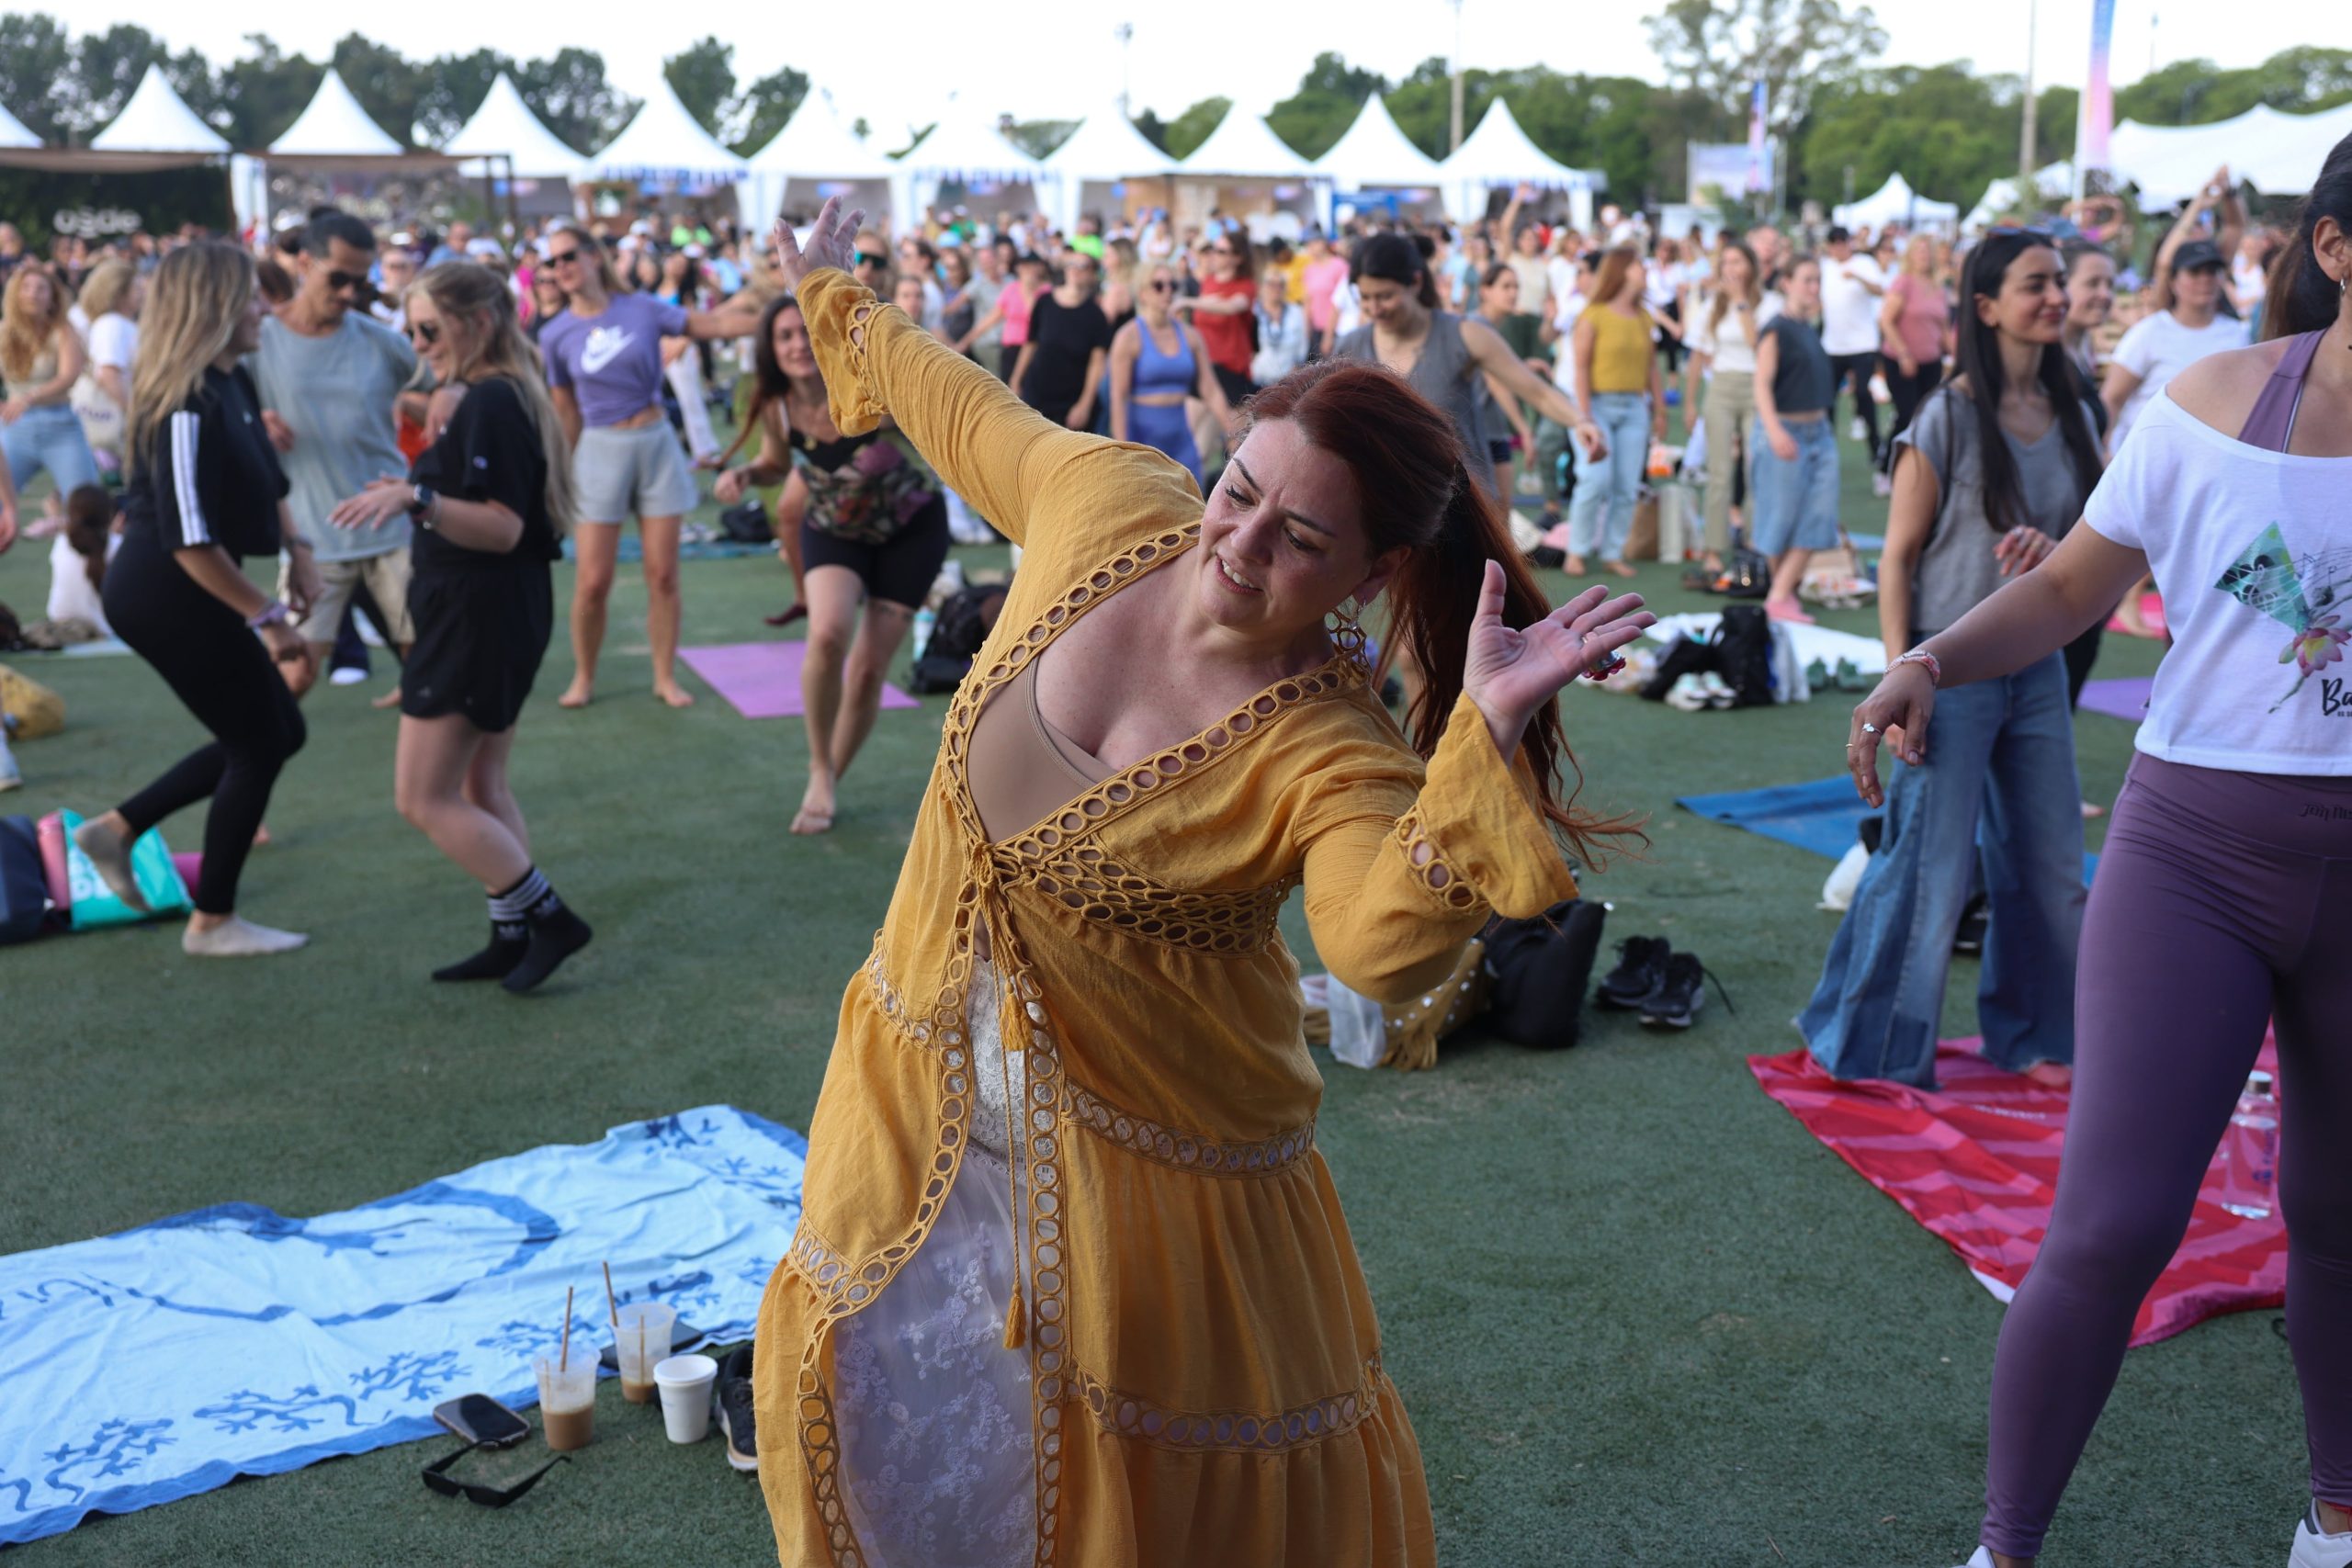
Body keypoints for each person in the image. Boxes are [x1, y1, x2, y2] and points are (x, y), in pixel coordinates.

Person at [749, 196, 1653, 1568]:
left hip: (1151, 1193)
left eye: (1301, 538)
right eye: (1242, 489)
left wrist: (1483, 741)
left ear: (1372, 573)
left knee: (1138, 1508)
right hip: (919, 1107)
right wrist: (838, 300)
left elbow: (1368, 942)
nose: (1240, 544)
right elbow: (962, 399)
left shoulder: (1324, 743)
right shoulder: (1107, 504)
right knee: (900, 1432)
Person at [1845, 141, 2352, 1568]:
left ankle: (2339, 1513)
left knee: (2340, 1208)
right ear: (2334, 248)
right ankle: (2003, 1548)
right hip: (2199, 856)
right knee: (2114, 1221)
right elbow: (2071, 583)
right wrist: (1928, 659)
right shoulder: (2196, 411)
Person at [1803, 230, 2102, 1096]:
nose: (2055, 297)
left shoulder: (2076, 411)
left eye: (2060, 282)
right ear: (1985, 305)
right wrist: (1902, 677)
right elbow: (1896, 558)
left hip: (2036, 668)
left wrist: (2057, 548)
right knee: (1928, 873)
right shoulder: (1946, 416)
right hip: (1943, 673)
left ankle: (2038, 1036)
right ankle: (1876, 1051)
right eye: (2035, 284)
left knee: (2050, 867)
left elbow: (2095, 547)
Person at [326, 262, 592, 992]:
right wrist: (414, 489)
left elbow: (502, 528)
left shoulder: (494, 402)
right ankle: (512, 933)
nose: (419, 344)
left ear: (477, 323)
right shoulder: (494, 394)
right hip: (490, 609)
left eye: (429, 330)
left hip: (478, 613)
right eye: (411, 330)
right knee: (482, 783)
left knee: (422, 795)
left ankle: (550, 918)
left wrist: (416, 498)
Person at [72, 243, 319, 957]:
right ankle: (212, 920)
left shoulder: (229, 380)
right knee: (260, 742)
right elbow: (188, 541)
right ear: (211, 306)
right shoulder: (182, 402)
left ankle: (116, 829)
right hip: (166, 593)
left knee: (279, 733)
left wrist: (297, 552)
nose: (265, 309)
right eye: (250, 296)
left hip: (200, 587)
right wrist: (267, 618)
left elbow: (270, 480)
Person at [716, 293, 951, 835]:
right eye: (784, 337)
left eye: (804, 332)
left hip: (909, 532)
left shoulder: (864, 384)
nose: (798, 345)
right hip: (835, 530)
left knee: (869, 670)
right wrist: (748, 476)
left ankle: (828, 780)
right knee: (826, 634)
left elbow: (930, 403)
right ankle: (818, 764)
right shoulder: (776, 406)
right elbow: (777, 464)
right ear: (770, 350)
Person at [539, 226, 757, 708]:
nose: (561, 268)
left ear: (594, 257)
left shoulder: (639, 308)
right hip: (599, 449)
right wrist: (557, 475)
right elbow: (565, 412)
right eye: (552, 263)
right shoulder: (554, 334)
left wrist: (789, 316)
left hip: (656, 442)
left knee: (664, 575)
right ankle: (584, 676)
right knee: (592, 581)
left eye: (569, 256)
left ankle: (664, 676)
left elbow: (712, 327)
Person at [248, 209, 422, 706]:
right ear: (304, 263)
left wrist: (441, 399)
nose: (349, 293)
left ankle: (446, 783)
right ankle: (246, 775)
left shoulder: (380, 341)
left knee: (433, 666)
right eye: (338, 278)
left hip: (392, 531)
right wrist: (254, 420)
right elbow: (216, 415)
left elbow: (442, 390)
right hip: (311, 537)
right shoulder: (258, 340)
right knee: (294, 674)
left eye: (359, 281)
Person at [1333, 233, 1601, 529]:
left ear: (1416, 283)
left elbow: (1536, 392)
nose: (1375, 308)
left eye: (1385, 296)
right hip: (1388, 510)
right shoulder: (1350, 348)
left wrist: (1580, 421)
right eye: (1365, 297)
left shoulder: (1464, 334)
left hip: (1460, 510)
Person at [1747, 255, 1843, 621]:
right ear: (1786, 282)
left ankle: (1780, 593)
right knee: (1779, 518)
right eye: (1806, 280)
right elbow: (1761, 382)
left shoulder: (1809, 326)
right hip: (1786, 431)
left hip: (1819, 432)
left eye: (1817, 280)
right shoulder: (1777, 328)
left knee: (1819, 515)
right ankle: (1781, 594)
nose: (1814, 287)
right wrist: (1773, 430)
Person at [1566, 246, 1666, 579]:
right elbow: (1580, 368)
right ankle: (1576, 551)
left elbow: (1652, 367)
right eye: (1639, 263)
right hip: (1596, 406)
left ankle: (1612, 552)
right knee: (1594, 480)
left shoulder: (1643, 317)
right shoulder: (1593, 314)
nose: (1645, 269)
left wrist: (1660, 410)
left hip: (1635, 408)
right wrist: (1584, 416)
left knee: (1626, 486)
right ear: (1622, 270)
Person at [2101, 236, 2245, 455]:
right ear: (2173, 281)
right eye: (2195, 272)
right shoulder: (2149, 332)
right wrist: (2105, 454)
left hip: (2212, 461)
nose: (2205, 280)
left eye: (2212, 271)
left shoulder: (2237, 334)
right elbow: (2112, 398)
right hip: (2148, 458)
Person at [1108, 261, 1237, 486]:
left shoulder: (1190, 336)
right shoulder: (1128, 337)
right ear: (1143, 293)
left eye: (1172, 285)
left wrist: (1232, 431)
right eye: (1158, 285)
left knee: (1193, 509)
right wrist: (1122, 449)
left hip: (1181, 437)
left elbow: (1210, 388)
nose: (1167, 291)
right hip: (1142, 439)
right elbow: (1118, 397)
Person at [1688, 240, 1766, 574]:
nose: (1731, 269)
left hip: (1756, 387)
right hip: (1720, 386)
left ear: (1750, 266)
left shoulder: (1766, 303)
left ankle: (1753, 541)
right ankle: (1714, 549)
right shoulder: (1711, 306)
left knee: (1755, 469)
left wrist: (1741, 304)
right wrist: (1690, 402)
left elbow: (1758, 345)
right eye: (1726, 263)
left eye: (1738, 262)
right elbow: (1697, 354)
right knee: (1719, 472)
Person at [1, 264, 102, 502]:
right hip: (15, 428)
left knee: (86, 503)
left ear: (52, 296)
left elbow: (68, 376)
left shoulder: (64, 331)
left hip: (60, 425)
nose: (33, 293)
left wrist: (29, 398)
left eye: (40, 288)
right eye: (26, 287)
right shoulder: (4, 332)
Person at [1877, 234, 1953, 478]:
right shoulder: (1903, 283)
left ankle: (1920, 470)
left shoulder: (1938, 288)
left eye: (1928, 250)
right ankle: (1886, 466)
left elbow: (1943, 330)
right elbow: (1886, 321)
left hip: (1930, 362)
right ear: (1910, 254)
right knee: (1908, 415)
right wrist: (1904, 354)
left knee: (1928, 418)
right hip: (1902, 361)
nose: (1924, 255)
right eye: (1919, 251)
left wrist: (1960, 357)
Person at [1010, 250, 1111, 431]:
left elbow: (1097, 363)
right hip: (1037, 393)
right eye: (1072, 264)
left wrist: (1084, 405)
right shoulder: (1045, 302)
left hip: (1071, 402)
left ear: (1092, 275)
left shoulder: (1096, 315)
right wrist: (1016, 381)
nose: (1076, 270)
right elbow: (1031, 344)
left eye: (1083, 266)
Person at [1820, 226, 1889, 491]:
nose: (1839, 248)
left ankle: (1876, 454)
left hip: (1862, 343)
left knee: (1863, 396)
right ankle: (1825, 451)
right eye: (1834, 243)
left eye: (1842, 242)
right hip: (1833, 345)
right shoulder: (1825, 266)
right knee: (1827, 400)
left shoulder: (1864, 263)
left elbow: (1879, 290)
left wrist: (1858, 278)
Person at [1176, 229, 1259, 405]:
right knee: (1195, 430)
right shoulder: (1209, 281)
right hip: (1203, 367)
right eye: (1213, 249)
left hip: (1231, 370)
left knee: (1234, 430)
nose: (1213, 254)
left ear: (1238, 258)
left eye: (1221, 251)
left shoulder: (1246, 286)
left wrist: (1189, 302)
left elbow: (1231, 307)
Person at [74, 259, 141, 473]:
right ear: (119, 293)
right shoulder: (112, 324)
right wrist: (134, 413)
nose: (142, 293)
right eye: (136, 288)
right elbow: (108, 374)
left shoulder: (118, 323)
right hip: (114, 421)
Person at [45, 482, 116, 635]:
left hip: (60, 625)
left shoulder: (62, 543)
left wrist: (54, 517)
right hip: (105, 629)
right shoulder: (117, 545)